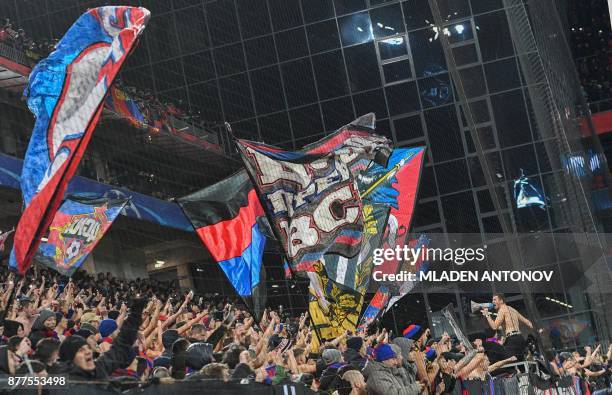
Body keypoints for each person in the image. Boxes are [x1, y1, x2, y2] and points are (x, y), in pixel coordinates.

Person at [481, 293, 533, 360]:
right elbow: (528, 322)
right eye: (492, 300)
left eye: (494, 300)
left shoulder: (502, 310)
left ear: (501, 301)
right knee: (520, 362)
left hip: (512, 340)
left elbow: (494, 327)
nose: (492, 302)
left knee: (504, 359)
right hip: (520, 338)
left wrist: (487, 315)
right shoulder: (512, 309)